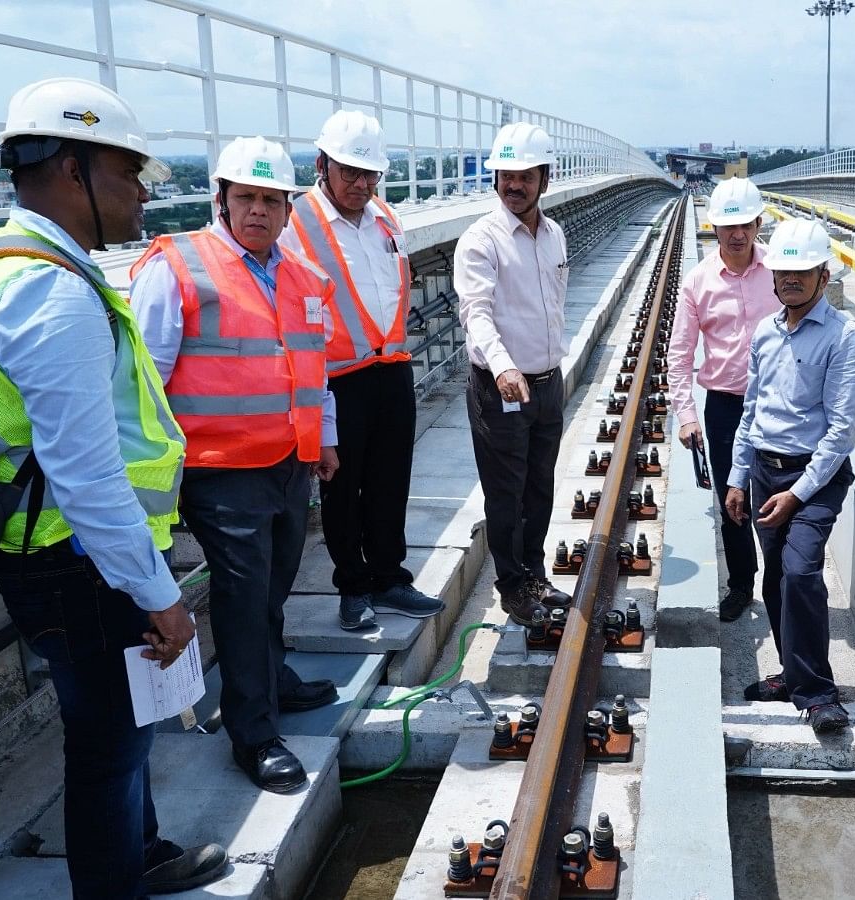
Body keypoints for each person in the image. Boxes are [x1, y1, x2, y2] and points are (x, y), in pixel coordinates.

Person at [0, 77, 225, 897]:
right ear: (72, 169)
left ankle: (140, 855)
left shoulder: (8, 265)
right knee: (109, 748)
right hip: (79, 563)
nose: (144, 193)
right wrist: (160, 594)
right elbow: (87, 477)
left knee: (118, 734)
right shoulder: (52, 295)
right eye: (129, 172)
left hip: (67, 555)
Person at [129, 138, 341, 794]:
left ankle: (271, 675)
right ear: (221, 199)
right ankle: (251, 732)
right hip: (215, 466)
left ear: (288, 208)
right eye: (245, 197)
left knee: (277, 577)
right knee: (244, 592)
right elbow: (144, 382)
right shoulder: (181, 268)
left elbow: (316, 370)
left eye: (270, 200)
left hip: (285, 457)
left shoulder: (301, 274)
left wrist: (324, 439)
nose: (257, 211)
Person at [280, 110, 445, 631]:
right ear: (321, 164)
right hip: (336, 378)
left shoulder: (385, 218)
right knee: (342, 487)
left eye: (370, 173)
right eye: (350, 171)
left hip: (391, 367)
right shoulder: (295, 223)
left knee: (390, 480)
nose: (361, 183)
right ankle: (353, 586)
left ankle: (390, 577)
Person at [722, 219, 855, 735]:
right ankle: (791, 672)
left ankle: (819, 694)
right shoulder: (765, 332)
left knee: (802, 571)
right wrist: (738, 477)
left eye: (803, 272)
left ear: (824, 276)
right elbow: (751, 411)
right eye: (784, 272)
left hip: (815, 476)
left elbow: (843, 428)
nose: (791, 281)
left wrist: (797, 495)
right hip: (764, 468)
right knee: (776, 574)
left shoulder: (844, 337)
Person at [455, 122, 572, 625]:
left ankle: (535, 573)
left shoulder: (554, 235)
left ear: (545, 177)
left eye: (525, 175)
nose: (514, 185)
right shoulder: (481, 241)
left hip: (547, 383)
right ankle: (513, 585)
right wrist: (503, 366)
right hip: (500, 387)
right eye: (506, 175)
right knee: (506, 492)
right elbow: (475, 312)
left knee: (539, 488)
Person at [668, 177, 773, 622]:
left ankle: (784, 582)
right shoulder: (698, 283)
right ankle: (741, 584)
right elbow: (679, 353)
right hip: (726, 406)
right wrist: (686, 415)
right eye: (728, 226)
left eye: (745, 224)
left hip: (778, 402)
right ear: (713, 227)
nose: (737, 234)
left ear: (758, 223)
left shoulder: (781, 270)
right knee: (733, 499)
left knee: (780, 491)